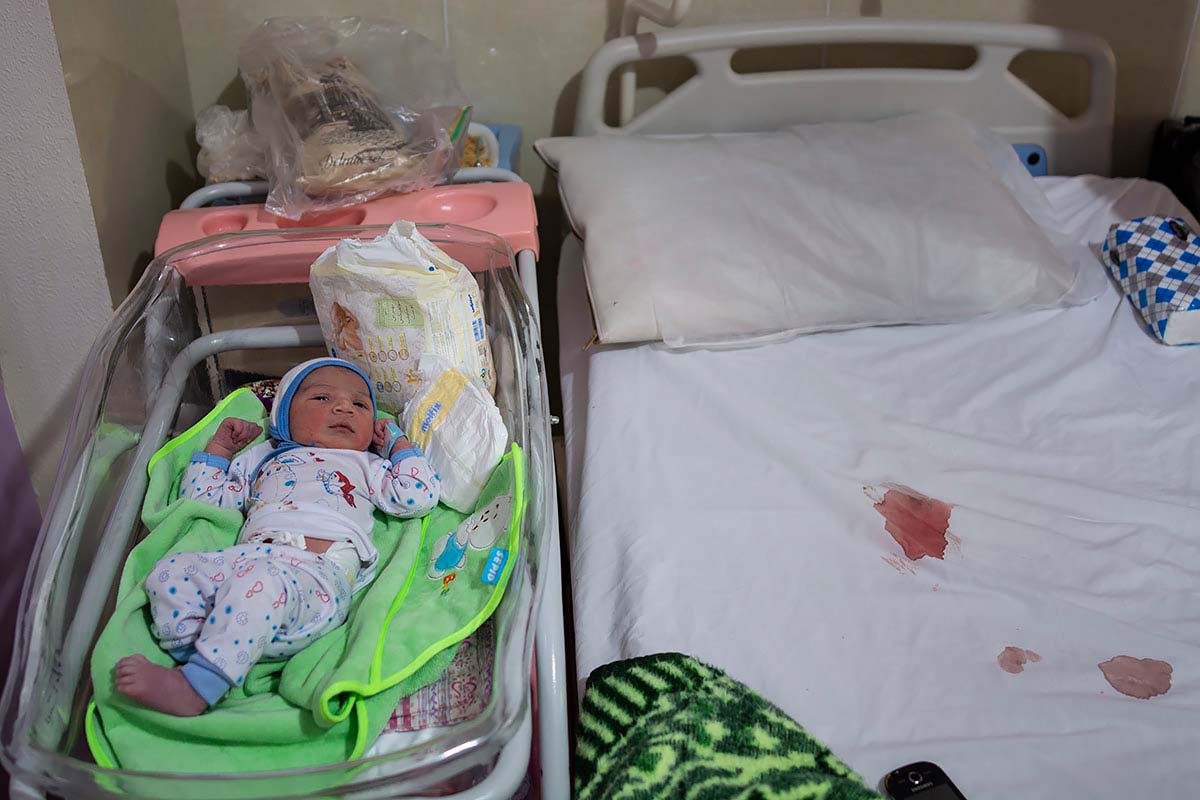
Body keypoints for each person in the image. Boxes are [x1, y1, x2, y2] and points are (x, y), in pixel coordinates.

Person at [115, 357, 439, 716]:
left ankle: (197, 686)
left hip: (318, 575)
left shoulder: (367, 465)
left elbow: (417, 496)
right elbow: (202, 501)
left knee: (261, 585)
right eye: (321, 399)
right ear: (283, 415)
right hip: (250, 560)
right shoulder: (261, 459)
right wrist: (220, 451)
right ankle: (206, 648)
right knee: (167, 572)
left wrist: (398, 446)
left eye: (360, 404)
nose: (344, 407)